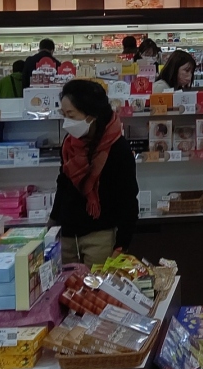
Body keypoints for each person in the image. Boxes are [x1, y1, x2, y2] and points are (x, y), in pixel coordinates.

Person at [51, 79, 138, 267]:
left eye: (71, 115)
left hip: (99, 238)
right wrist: (52, 223)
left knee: (96, 285)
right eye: (64, 115)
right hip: (66, 236)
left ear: (91, 115)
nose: (66, 122)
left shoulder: (117, 148)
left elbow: (128, 199)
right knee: (65, 285)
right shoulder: (69, 143)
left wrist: (122, 245)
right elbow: (63, 183)